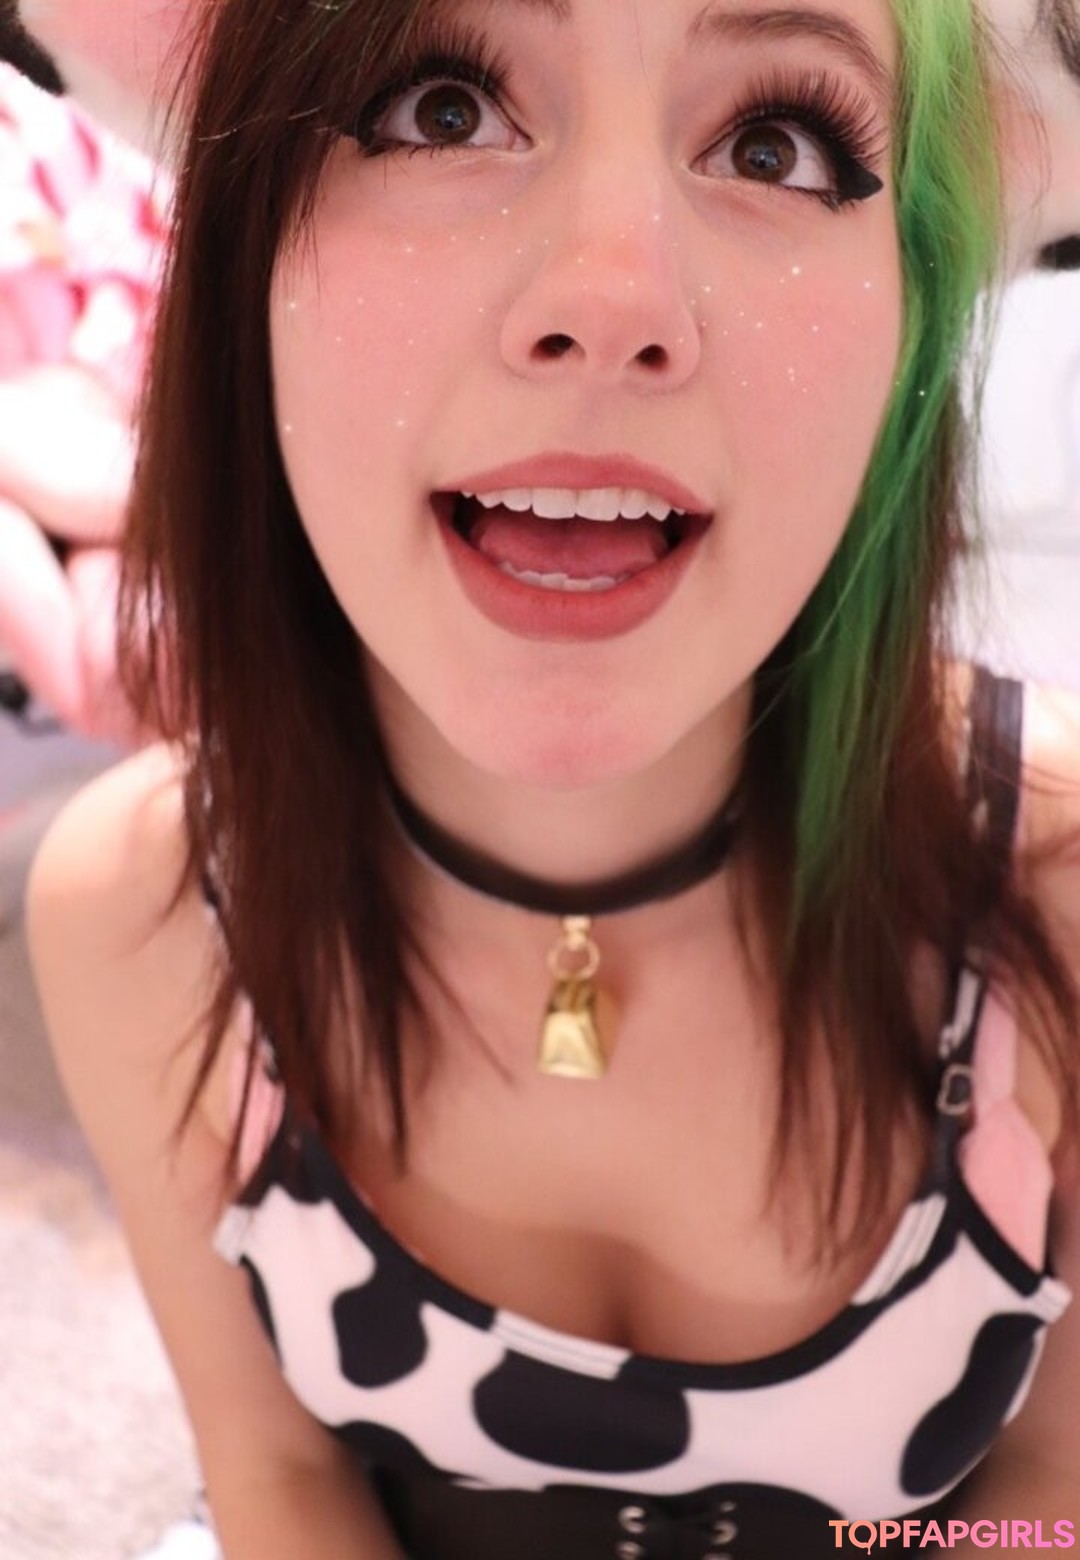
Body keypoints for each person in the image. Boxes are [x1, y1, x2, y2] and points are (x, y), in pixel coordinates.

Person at [24, 1, 1080, 1556]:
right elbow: (278, 1478)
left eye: (776, 145)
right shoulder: (142, 915)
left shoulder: (1055, 889)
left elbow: (1047, 1501)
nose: (613, 301)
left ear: (911, 308)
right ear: (244, 249)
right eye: (438, 108)